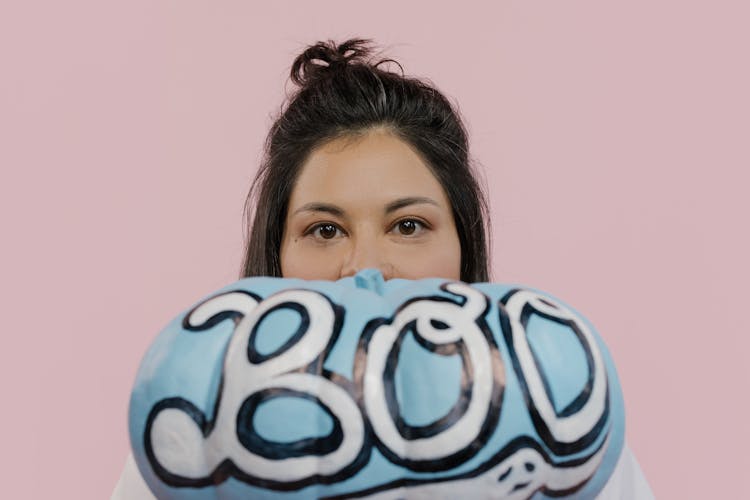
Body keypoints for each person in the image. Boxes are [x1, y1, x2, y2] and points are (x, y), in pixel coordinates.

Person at [113, 39, 653, 499]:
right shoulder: (200, 441)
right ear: (276, 254)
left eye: (409, 226)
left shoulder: (556, 423)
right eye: (325, 230)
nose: (366, 269)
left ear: (463, 243)